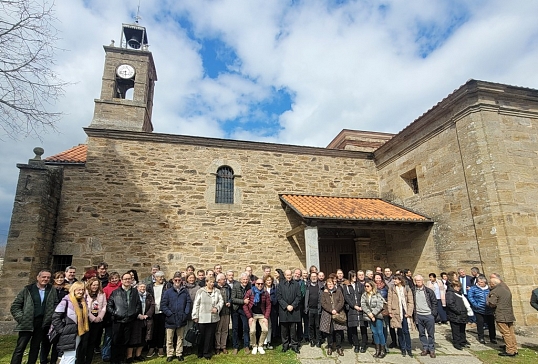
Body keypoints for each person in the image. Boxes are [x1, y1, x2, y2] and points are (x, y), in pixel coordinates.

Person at [10, 270, 58, 364]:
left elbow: (55, 303)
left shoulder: (52, 290)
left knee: (35, 347)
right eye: (44, 277)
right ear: (38, 277)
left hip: (42, 323)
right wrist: (21, 318)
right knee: (20, 347)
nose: (46, 279)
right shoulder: (28, 289)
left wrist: (51, 316)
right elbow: (15, 306)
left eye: (48, 277)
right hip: (27, 322)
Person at [107, 272, 142, 364]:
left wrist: (134, 314)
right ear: (121, 281)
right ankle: (114, 360)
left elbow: (138, 304)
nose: (127, 280)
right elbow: (109, 306)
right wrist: (116, 314)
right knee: (116, 341)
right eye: (125, 279)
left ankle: (122, 359)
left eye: (129, 279)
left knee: (126, 341)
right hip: (118, 321)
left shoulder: (134, 292)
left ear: (131, 280)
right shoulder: (115, 292)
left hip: (129, 320)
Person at [52, 281, 90, 364]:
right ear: (73, 290)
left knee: (67, 357)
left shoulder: (83, 302)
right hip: (68, 333)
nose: (81, 292)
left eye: (82, 290)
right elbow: (56, 317)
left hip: (79, 332)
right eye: (78, 290)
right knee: (71, 356)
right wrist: (62, 330)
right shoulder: (66, 301)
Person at [161, 272, 192, 362]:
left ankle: (179, 353)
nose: (177, 281)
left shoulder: (184, 291)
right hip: (170, 319)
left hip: (181, 318)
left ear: (181, 281)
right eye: (176, 280)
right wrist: (169, 313)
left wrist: (185, 313)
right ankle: (170, 354)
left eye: (179, 280)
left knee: (180, 338)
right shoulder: (168, 292)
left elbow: (188, 303)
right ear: (173, 281)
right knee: (169, 339)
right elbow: (163, 305)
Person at [192, 277, 223, 360]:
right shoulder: (200, 291)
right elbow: (196, 304)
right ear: (206, 282)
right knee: (201, 336)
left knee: (209, 336)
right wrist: (195, 316)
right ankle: (200, 352)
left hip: (213, 318)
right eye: (210, 282)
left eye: (213, 282)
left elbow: (221, 301)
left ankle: (207, 353)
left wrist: (217, 308)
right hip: (202, 317)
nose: (211, 284)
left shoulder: (217, 291)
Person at [488, 277, 518, 357]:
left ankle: (510, 351)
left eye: (490, 283)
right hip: (509, 313)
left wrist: (488, 301)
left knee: (505, 333)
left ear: (493, 284)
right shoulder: (506, 289)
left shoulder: (495, 291)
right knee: (511, 332)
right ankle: (514, 348)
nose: (489, 285)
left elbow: (492, 303)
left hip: (501, 314)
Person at [387, 274, 414, 357]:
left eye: (396, 279)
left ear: (400, 280)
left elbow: (410, 301)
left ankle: (409, 348)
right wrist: (390, 311)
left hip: (405, 312)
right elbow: (389, 300)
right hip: (396, 312)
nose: (394, 281)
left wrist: (409, 312)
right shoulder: (392, 289)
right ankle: (403, 348)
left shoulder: (406, 288)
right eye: (394, 279)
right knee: (399, 331)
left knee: (406, 331)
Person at [244, 278, 271, 355]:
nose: (260, 285)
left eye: (261, 284)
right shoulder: (250, 292)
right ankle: (254, 346)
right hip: (252, 315)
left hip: (262, 315)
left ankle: (260, 345)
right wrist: (249, 317)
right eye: (258, 284)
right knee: (252, 331)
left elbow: (268, 306)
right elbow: (245, 305)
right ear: (255, 284)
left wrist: (266, 317)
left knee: (265, 330)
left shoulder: (265, 293)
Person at [277, 269, 302, 354]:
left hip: (293, 310)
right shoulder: (280, 285)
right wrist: (286, 306)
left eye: (290, 275)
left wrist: (293, 305)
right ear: (284, 275)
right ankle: (285, 345)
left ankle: (294, 345)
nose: (289, 276)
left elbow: (299, 296)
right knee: (284, 330)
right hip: (284, 310)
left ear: (292, 275)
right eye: (287, 275)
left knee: (293, 330)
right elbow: (279, 297)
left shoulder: (296, 284)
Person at [413, 275, 437, 358]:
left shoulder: (428, 291)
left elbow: (434, 302)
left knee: (431, 333)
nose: (418, 282)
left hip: (428, 315)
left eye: (419, 280)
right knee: (421, 333)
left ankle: (431, 349)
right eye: (416, 281)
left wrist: (433, 313)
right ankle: (425, 347)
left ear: (423, 281)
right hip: (418, 315)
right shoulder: (413, 291)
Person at [320, 277, 345, 356]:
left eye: (331, 283)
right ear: (326, 284)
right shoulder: (324, 293)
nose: (330, 285)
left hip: (337, 313)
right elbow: (323, 303)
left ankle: (338, 347)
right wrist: (331, 310)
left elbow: (341, 301)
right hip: (328, 314)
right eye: (328, 283)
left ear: (333, 283)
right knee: (329, 332)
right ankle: (330, 346)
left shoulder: (338, 291)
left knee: (338, 331)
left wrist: (336, 309)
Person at [129, 283, 155, 362]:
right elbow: (131, 306)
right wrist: (138, 315)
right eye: (141, 287)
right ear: (137, 288)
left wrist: (147, 315)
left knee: (143, 338)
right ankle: (129, 356)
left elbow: (152, 305)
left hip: (146, 319)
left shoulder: (149, 295)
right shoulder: (133, 295)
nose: (143, 288)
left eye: (144, 287)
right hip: (135, 319)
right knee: (133, 339)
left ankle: (138, 355)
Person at [84, 277, 107, 364]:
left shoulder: (102, 293)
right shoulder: (85, 294)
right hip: (87, 320)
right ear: (90, 285)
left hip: (98, 320)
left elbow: (104, 305)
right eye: (93, 285)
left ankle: (89, 360)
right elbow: (84, 306)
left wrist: (100, 317)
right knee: (85, 340)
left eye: (97, 285)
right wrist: (92, 318)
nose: (95, 286)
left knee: (92, 341)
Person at [468, 275, 496, 344]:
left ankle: (493, 338)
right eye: (479, 282)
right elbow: (470, 297)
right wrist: (475, 304)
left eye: (482, 282)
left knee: (491, 324)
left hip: (489, 309)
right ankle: (481, 337)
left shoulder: (489, 289)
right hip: (479, 309)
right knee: (480, 323)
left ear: (485, 283)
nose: (480, 283)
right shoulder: (473, 288)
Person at [146, 271, 168, 357]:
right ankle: (151, 347)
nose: (161, 279)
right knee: (152, 330)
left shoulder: (166, 286)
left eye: (162, 277)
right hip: (152, 311)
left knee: (161, 330)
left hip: (162, 311)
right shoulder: (150, 286)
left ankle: (160, 347)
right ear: (155, 278)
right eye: (160, 277)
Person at [361, 281, 386, 358]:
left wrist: (374, 314)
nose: (366, 288)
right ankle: (377, 349)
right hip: (370, 316)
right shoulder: (364, 295)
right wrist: (370, 314)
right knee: (374, 332)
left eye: (368, 286)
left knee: (380, 332)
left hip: (378, 316)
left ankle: (382, 349)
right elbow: (363, 305)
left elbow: (380, 305)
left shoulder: (377, 295)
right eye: (365, 286)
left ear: (372, 287)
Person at [101, 272, 121, 362]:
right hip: (110, 315)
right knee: (108, 336)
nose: (114, 280)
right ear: (109, 280)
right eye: (112, 279)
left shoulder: (122, 288)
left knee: (118, 337)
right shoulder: (106, 289)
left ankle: (117, 354)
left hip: (120, 315)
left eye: (116, 278)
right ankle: (106, 354)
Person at [231, 272, 251, 354]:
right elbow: (233, 299)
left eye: (246, 279)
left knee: (246, 328)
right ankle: (235, 346)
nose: (245, 281)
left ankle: (246, 345)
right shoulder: (235, 286)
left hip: (245, 310)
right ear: (240, 280)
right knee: (235, 328)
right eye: (243, 279)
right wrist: (243, 301)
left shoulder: (250, 287)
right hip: (236, 309)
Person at [342, 271, 362, 353]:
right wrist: (354, 305)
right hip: (352, 309)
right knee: (353, 328)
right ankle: (356, 344)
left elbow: (362, 295)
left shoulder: (360, 285)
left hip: (361, 308)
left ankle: (363, 344)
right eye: (353, 276)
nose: (355, 278)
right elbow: (347, 297)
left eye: (355, 276)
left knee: (362, 327)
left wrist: (360, 305)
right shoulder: (346, 286)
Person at [445, 280, 468, 350]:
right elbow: (450, 304)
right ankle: (457, 343)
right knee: (456, 330)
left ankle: (463, 341)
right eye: (457, 287)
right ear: (453, 286)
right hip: (455, 315)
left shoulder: (460, 293)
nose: (459, 288)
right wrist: (458, 311)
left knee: (462, 330)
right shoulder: (450, 293)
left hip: (462, 314)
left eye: (459, 287)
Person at [374, 272, 394, 351]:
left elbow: (389, 297)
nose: (378, 279)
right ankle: (378, 344)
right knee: (376, 329)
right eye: (376, 278)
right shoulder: (372, 287)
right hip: (375, 310)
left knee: (384, 327)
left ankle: (384, 344)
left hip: (384, 310)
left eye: (379, 278)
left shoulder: (385, 287)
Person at [183, 272, 200, 354]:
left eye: (193, 278)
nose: (191, 279)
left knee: (191, 329)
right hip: (185, 311)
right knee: (184, 329)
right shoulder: (183, 288)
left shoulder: (198, 288)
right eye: (190, 278)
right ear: (187, 279)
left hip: (194, 311)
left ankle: (189, 345)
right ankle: (184, 345)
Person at [215, 273, 231, 354]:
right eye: (223, 279)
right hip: (218, 312)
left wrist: (229, 302)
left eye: (225, 279)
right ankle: (217, 347)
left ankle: (223, 346)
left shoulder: (227, 287)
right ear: (218, 280)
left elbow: (231, 297)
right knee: (218, 330)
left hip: (226, 311)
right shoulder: (215, 288)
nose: (225, 280)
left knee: (225, 330)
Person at [304, 272, 322, 348]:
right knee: (310, 325)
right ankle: (312, 340)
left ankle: (318, 340)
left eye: (315, 276)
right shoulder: (307, 286)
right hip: (310, 309)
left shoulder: (320, 286)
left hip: (318, 309)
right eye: (312, 276)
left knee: (318, 326)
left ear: (317, 277)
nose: (314, 278)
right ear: (310, 278)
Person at [263, 274, 278, 350]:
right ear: (265, 281)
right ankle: (264, 342)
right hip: (264, 311)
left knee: (270, 326)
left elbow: (276, 300)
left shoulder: (274, 289)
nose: (269, 282)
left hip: (272, 310)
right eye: (267, 280)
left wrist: (270, 300)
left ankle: (269, 341)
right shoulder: (263, 289)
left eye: (270, 280)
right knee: (264, 326)